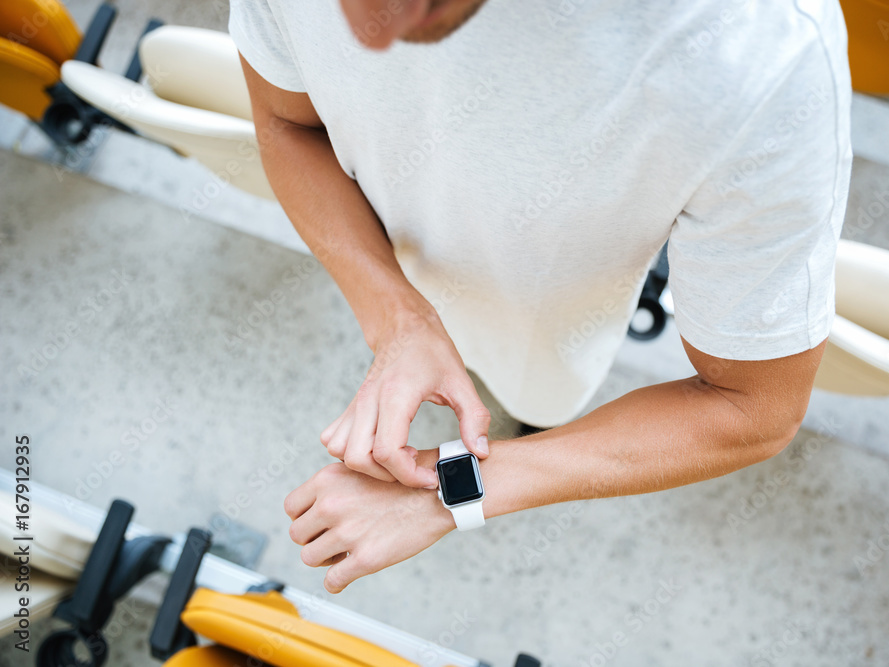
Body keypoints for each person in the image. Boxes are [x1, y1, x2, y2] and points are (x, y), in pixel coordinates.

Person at [230, 0, 852, 593]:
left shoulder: (765, 56)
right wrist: (398, 318)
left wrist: (452, 493)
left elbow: (755, 409)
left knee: (535, 402)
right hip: (394, 271)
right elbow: (286, 122)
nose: (370, 33)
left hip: (548, 338)